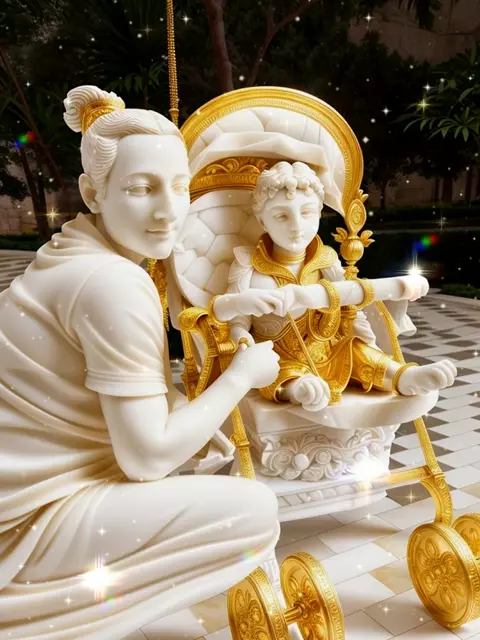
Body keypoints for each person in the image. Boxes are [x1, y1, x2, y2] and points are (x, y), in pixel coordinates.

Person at [0, 85, 285, 640]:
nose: (168, 211)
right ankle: (46, 614)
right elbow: (147, 457)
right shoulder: (112, 282)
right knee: (253, 509)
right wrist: (240, 377)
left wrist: (183, 411)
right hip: (27, 525)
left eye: (179, 187)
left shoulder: (66, 252)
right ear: (93, 192)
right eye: (140, 188)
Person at [224, 161, 457, 411]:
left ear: (319, 213)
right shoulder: (248, 263)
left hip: (329, 347)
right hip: (277, 356)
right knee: (275, 371)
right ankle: (297, 389)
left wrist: (368, 341)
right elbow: (236, 321)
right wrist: (243, 341)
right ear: (262, 220)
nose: (296, 227)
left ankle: (401, 376)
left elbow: (348, 307)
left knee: (356, 351)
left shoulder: (326, 259)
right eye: (281, 216)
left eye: (306, 213)